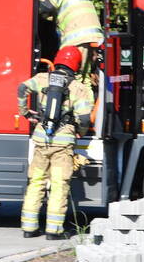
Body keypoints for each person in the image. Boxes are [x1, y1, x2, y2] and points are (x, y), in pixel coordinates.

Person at [17, 46, 94, 240]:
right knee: (59, 185)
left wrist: (25, 112)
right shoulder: (78, 87)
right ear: (76, 65)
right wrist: (79, 132)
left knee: (36, 182)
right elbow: (84, 119)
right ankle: (54, 230)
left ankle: (29, 227)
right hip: (63, 144)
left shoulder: (43, 78)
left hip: (41, 140)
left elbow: (21, 88)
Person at [40, 0, 104, 75]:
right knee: (84, 74)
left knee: (70, 74)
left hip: (78, 36)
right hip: (91, 35)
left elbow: (48, 5)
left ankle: (77, 89)